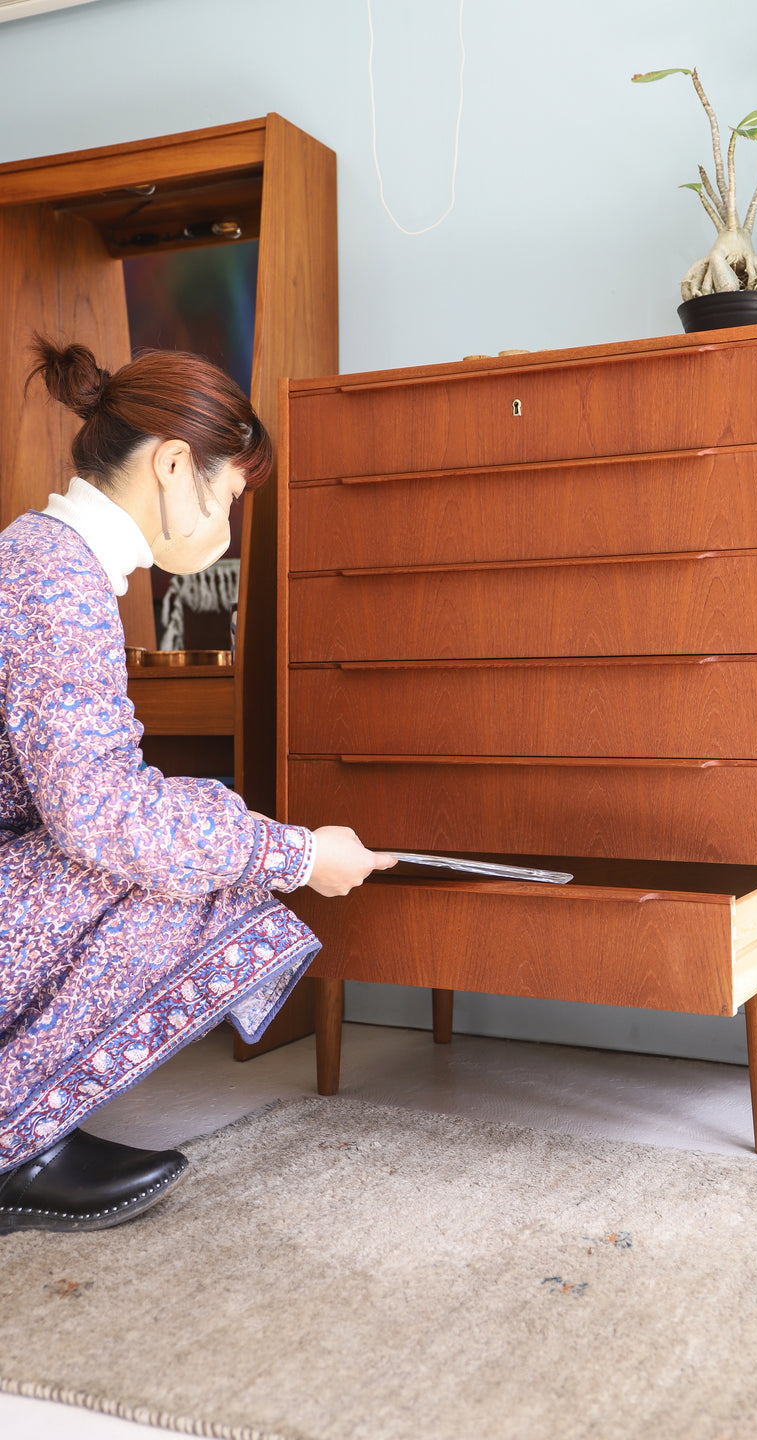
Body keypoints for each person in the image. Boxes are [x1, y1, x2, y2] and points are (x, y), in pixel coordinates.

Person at [0, 338, 396, 1234]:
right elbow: (99, 813)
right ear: (174, 464)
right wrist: (291, 851)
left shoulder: (45, 558)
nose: (226, 520)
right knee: (185, 868)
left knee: (199, 839)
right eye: (227, 496)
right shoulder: (56, 581)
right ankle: (14, 1133)